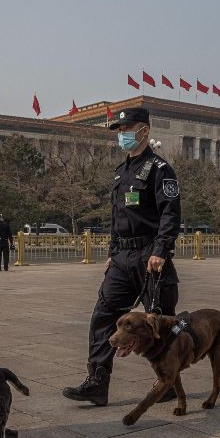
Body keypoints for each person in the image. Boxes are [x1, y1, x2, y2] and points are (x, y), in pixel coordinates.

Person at [62, 108, 181, 406]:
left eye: (126, 128)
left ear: (144, 130)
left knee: (161, 322)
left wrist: (160, 250)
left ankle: (168, 382)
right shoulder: (121, 172)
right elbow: (117, 217)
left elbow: (170, 213)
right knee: (103, 316)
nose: (121, 134)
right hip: (123, 257)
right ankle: (97, 382)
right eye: (118, 129)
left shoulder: (160, 169)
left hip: (149, 255)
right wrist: (113, 253)